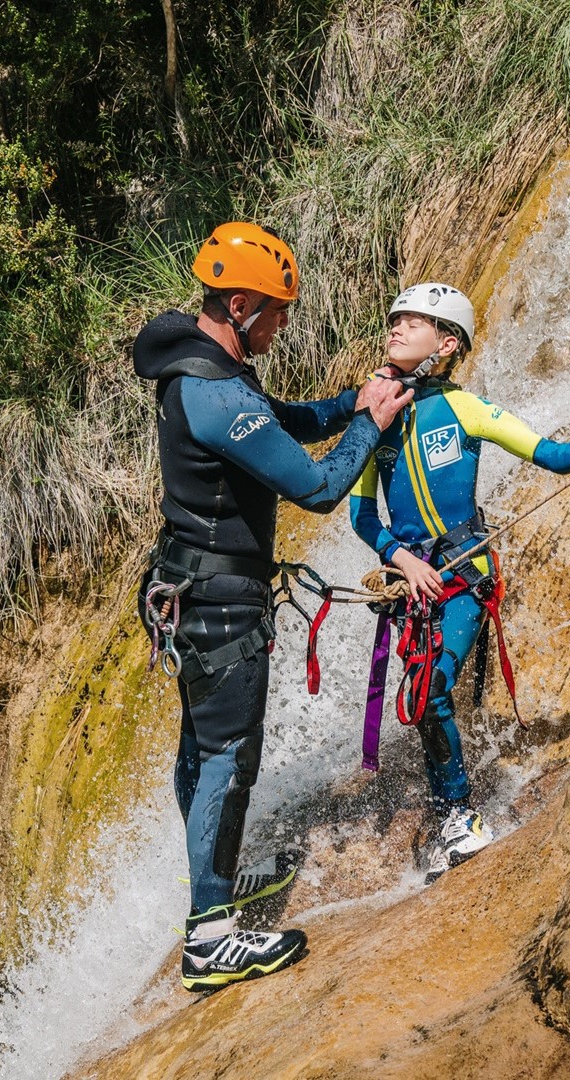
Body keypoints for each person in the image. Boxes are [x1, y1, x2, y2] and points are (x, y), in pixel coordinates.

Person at [133, 222, 411, 991]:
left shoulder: (202, 363)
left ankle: (218, 886)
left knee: (198, 752)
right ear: (242, 302)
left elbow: (277, 422)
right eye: (279, 311)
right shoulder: (216, 392)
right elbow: (318, 488)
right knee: (227, 758)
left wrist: (346, 405)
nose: (284, 324)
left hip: (188, 588)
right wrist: (371, 425)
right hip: (220, 603)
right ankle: (210, 940)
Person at [349, 282, 570, 884]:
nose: (397, 328)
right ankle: (454, 807)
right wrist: (400, 558)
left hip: (464, 577)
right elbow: (363, 515)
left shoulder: (465, 409)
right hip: (416, 582)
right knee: (426, 693)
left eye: (414, 323)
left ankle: (461, 817)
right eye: (395, 320)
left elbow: (550, 456)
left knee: (432, 687)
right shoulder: (377, 419)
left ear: (446, 344)